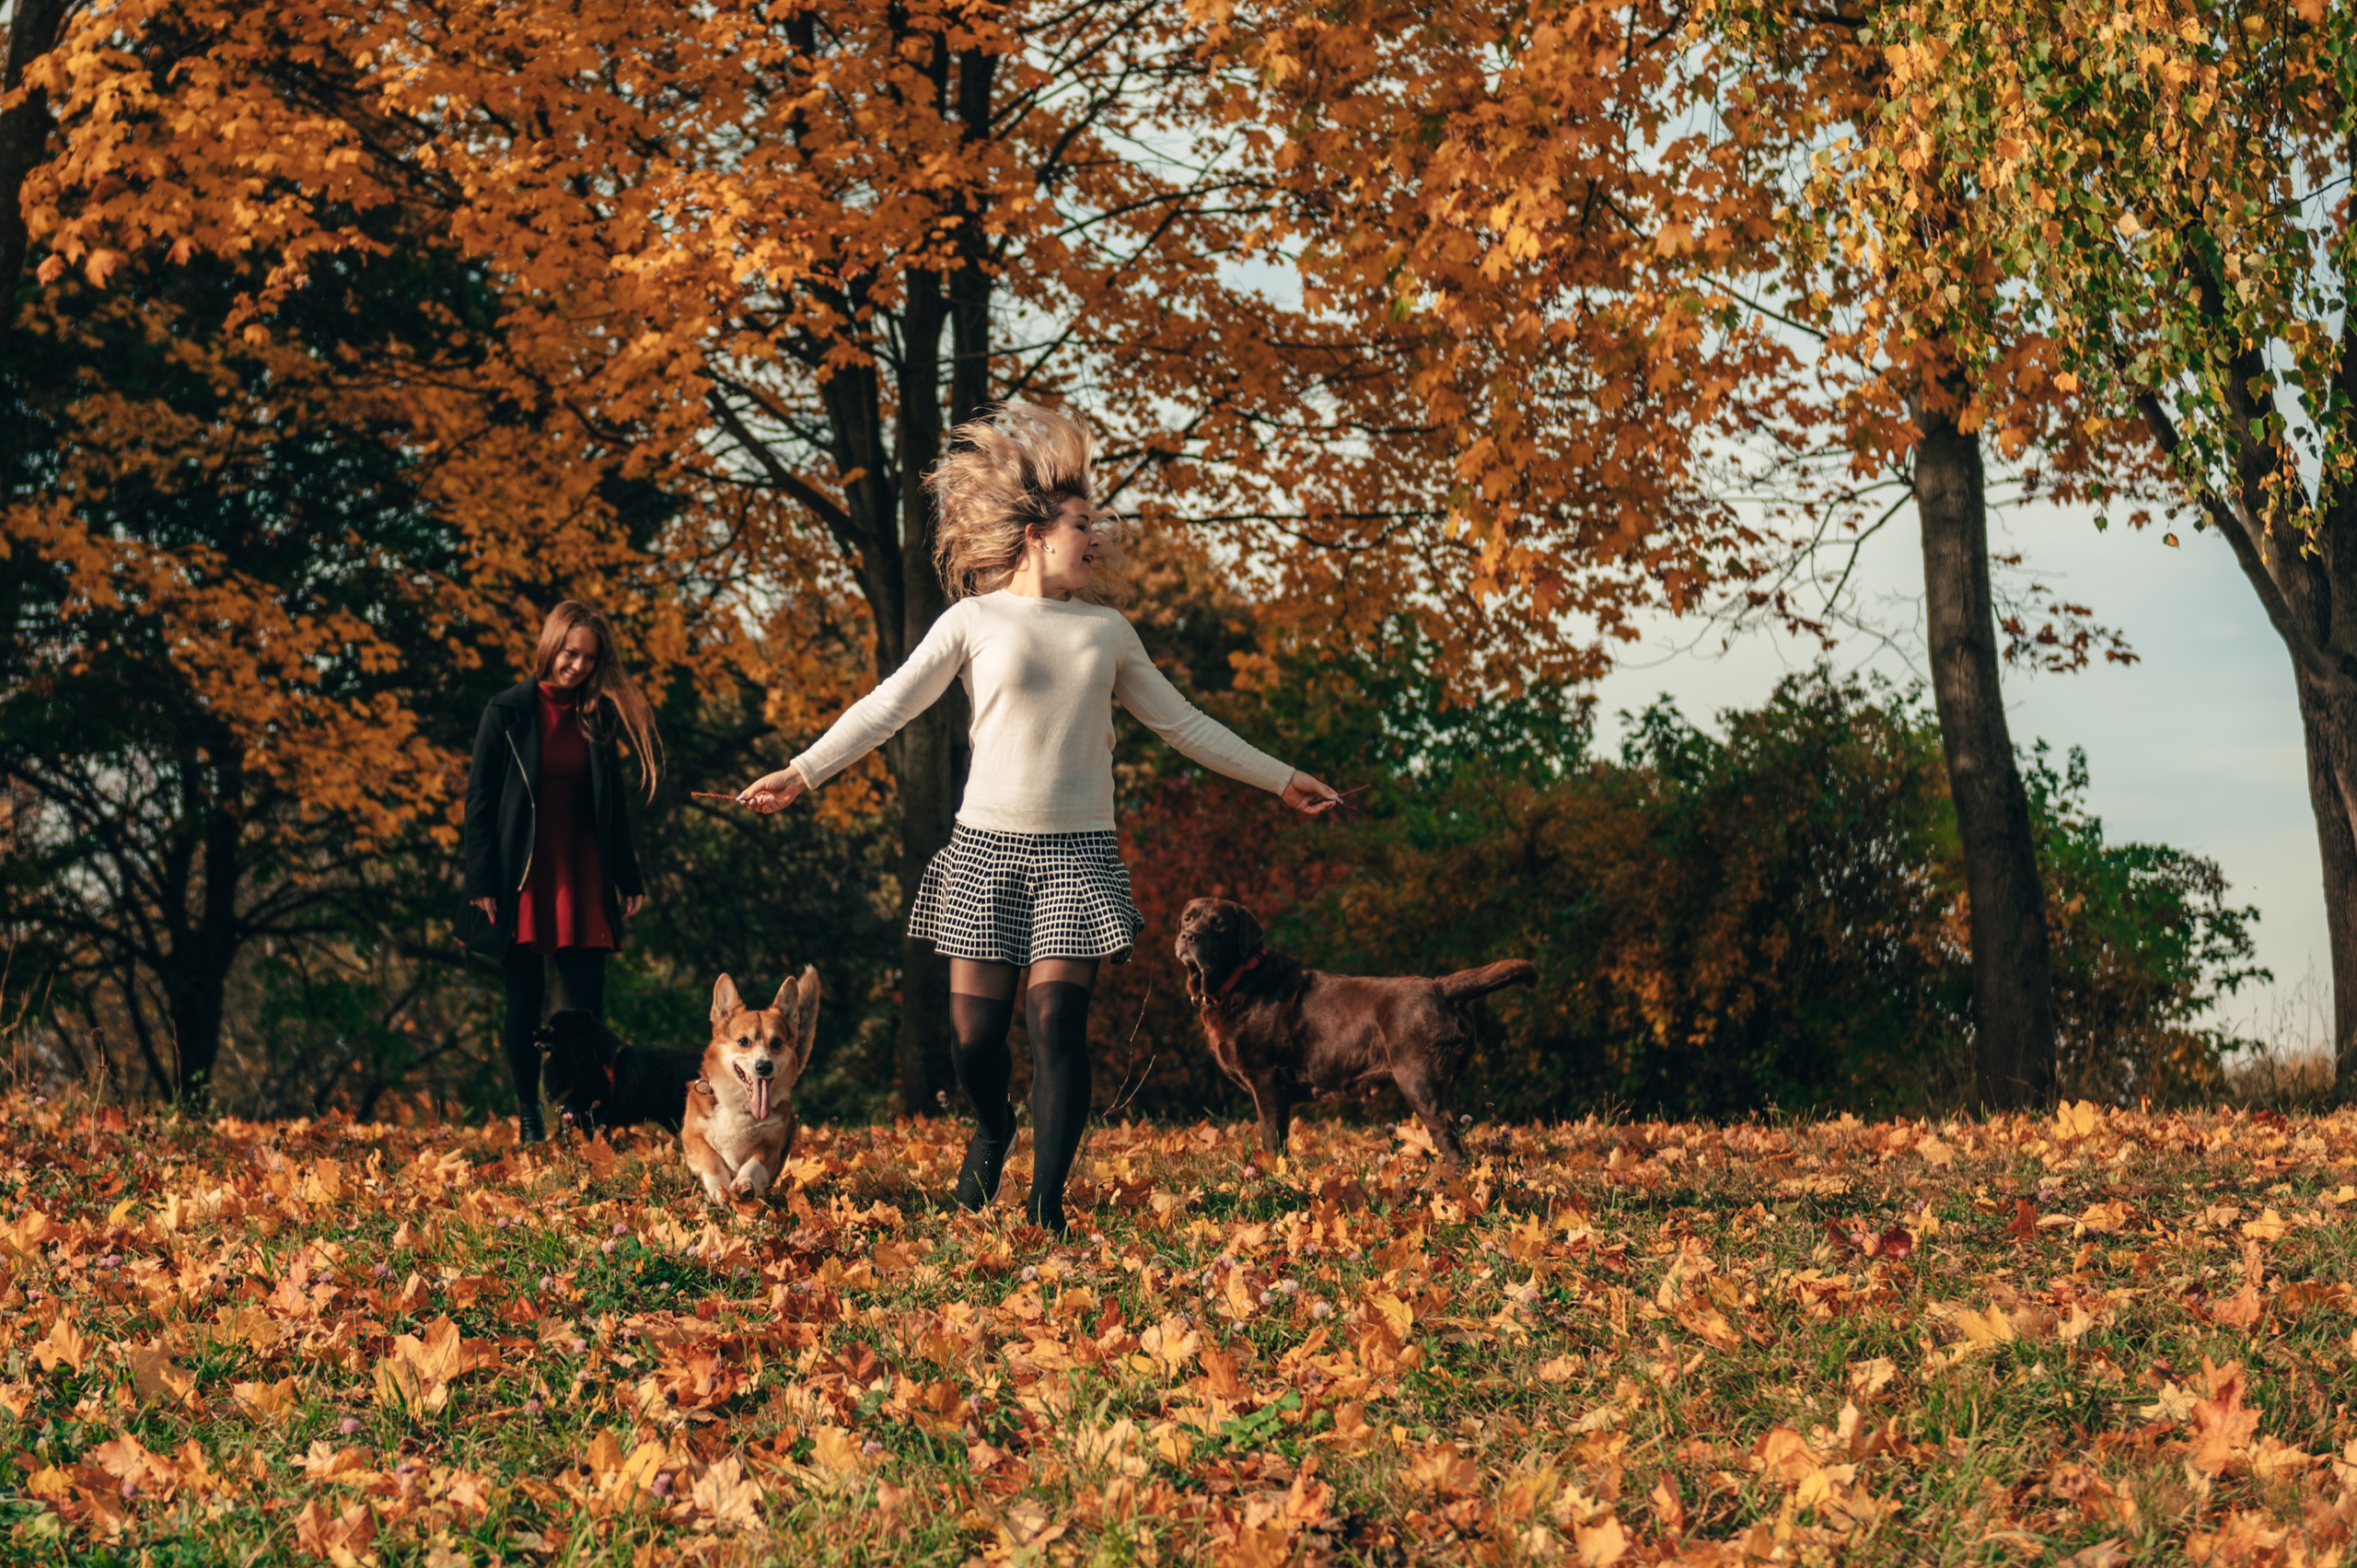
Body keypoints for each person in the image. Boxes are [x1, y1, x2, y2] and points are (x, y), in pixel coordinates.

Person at [737, 402, 1340, 1232]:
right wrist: (802, 772)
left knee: (1055, 1021)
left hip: (1078, 854)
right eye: (1084, 524)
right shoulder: (974, 621)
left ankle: (1045, 1207)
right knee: (973, 1041)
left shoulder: (1108, 634)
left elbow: (1186, 724)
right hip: (985, 848)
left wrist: (1284, 779)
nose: (1098, 539)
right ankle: (993, 1125)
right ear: (1037, 532)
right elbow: (889, 706)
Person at [464, 601, 659, 1143]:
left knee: (585, 1010)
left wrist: (629, 877)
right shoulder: (506, 711)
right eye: (570, 653)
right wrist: (480, 880)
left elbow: (613, 806)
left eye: (589, 659)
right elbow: (479, 801)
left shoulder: (598, 718)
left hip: (583, 871)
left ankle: (585, 1121)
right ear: (551, 645)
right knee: (523, 1002)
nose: (576, 666)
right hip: (520, 875)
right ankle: (529, 1116)